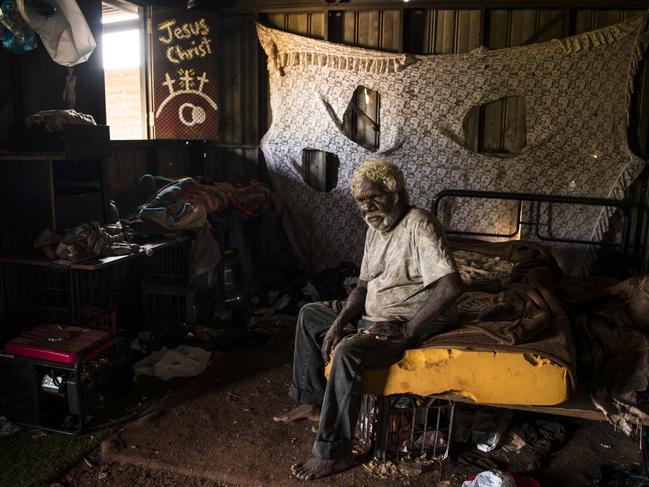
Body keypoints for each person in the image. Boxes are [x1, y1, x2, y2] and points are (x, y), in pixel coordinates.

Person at [273, 158, 464, 480]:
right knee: (310, 314)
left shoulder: (420, 223)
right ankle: (312, 401)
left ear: (397, 194)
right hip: (374, 311)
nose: (368, 207)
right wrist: (339, 321)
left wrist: (407, 330)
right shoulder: (375, 230)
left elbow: (451, 286)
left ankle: (334, 452)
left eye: (376, 197)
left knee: (348, 353)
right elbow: (362, 286)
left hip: (405, 319)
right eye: (362, 201)